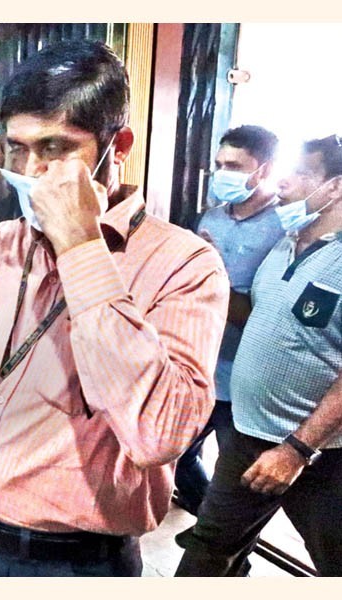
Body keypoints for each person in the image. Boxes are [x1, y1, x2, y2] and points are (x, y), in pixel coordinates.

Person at [0, 40, 229, 577]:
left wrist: (81, 250)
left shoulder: (183, 264)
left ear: (116, 146)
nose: (31, 170)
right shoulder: (3, 243)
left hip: (70, 561)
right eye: (16, 148)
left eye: (56, 148)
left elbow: (159, 433)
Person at [175, 135, 342, 577]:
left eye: (301, 173)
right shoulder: (287, 245)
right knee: (209, 550)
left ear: (335, 187)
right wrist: (210, 270)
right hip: (248, 433)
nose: (284, 182)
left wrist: (297, 450)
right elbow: (259, 316)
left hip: (319, 450)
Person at [173, 125, 286, 515]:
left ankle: (221, 546)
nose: (223, 173)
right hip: (201, 367)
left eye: (234, 166)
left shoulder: (285, 228)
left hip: (247, 379)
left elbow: (270, 314)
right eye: (219, 164)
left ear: (264, 169)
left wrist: (214, 270)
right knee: (175, 455)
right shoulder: (212, 218)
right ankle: (205, 521)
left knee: (238, 479)